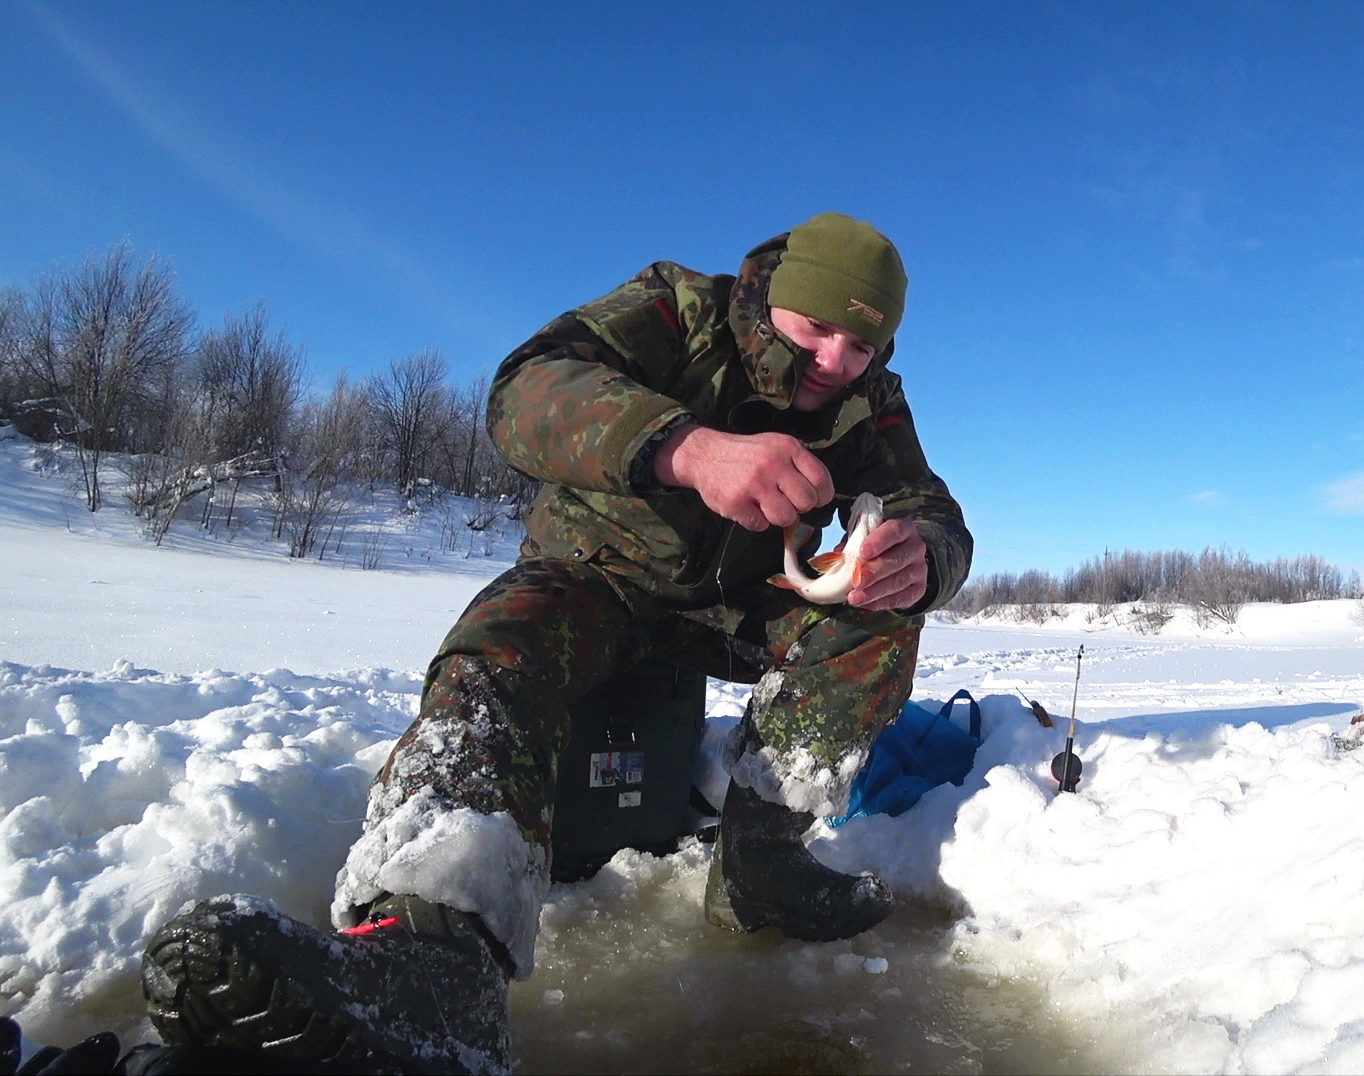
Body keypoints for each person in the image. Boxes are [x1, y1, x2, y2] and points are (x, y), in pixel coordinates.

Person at [140, 214, 973, 1074]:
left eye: (862, 344)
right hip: (593, 577)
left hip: (729, 611)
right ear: (776, 303)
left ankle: (762, 864)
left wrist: (921, 556)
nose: (835, 361)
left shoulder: (871, 404)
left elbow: (933, 511)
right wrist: (687, 448)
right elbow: (524, 393)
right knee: (501, 646)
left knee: (879, 622)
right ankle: (437, 950)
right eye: (818, 328)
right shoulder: (679, 310)